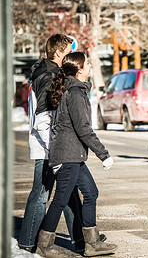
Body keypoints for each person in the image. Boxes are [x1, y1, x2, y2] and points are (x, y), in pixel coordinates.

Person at [36, 52, 117, 257]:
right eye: (88, 63)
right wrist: (103, 154)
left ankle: (92, 243)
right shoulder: (76, 93)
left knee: (91, 193)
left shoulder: (71, 89)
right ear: (80, 69)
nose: (90, 66)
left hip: (73, 155)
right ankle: (44, 245)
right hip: (68, 155)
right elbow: (83, 129)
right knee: (60, 200)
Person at [18, 34, 85, 252]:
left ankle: (81, 238)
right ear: (58, 53)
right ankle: (28, 242)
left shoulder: (49, 72)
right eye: (68, 51)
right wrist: (54, 149)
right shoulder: (48, 75)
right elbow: (44, 117)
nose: (71, 55)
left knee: (69, 192)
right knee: (41, 193)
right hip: (49, 146)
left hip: (56, 145)